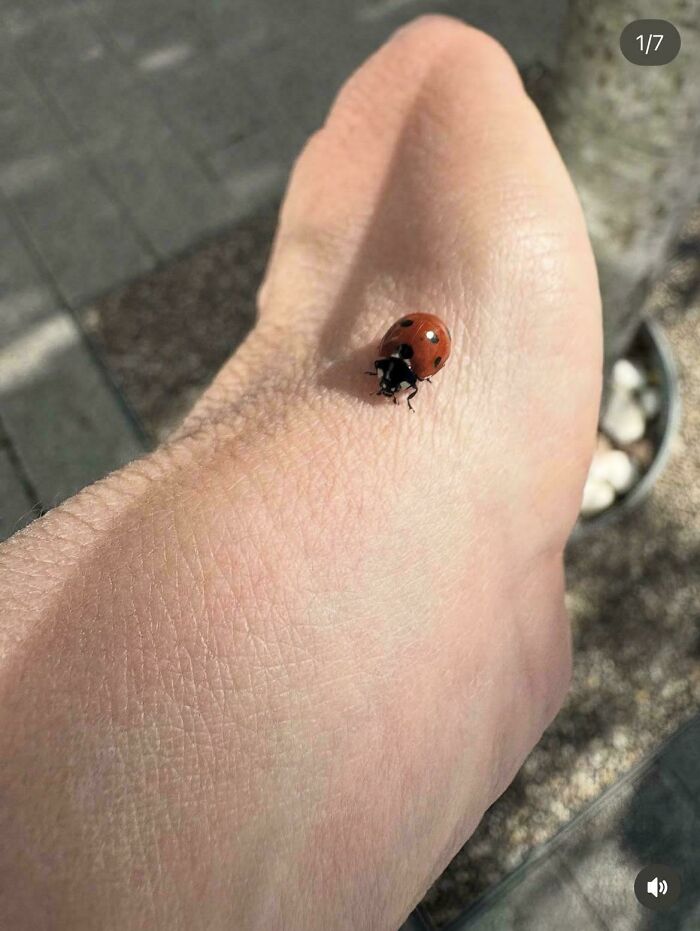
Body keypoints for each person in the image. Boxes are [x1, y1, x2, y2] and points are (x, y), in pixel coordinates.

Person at [0, 16, 601, 931]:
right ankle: (434, 545)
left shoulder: (408, 352)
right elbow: (406, 354)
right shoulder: (409, 356)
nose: (396, 371)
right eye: (399, 371)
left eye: (400, 370)